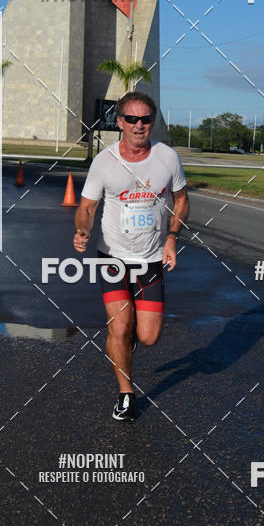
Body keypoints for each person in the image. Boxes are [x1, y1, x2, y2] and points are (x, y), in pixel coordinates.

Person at [73, 92, 189, 421]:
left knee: (148, 336)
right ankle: (126, 393)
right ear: (120, 121)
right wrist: (82, 230)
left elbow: (181, 200)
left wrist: (172, 237)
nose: (139, 125)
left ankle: (129, 340)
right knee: (119, 327)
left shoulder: (167, 157)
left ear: (153, 122)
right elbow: (87, 207)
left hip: (151, 258)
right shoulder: (105, 162)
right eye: (132, 119)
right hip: (112, 256)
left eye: (146, 119)